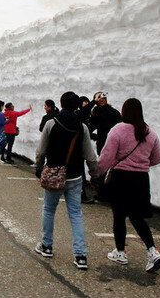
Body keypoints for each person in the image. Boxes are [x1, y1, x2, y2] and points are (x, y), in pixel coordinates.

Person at [97, 98, 160, 272]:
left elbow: (107, 156)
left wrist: (97, 173)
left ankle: (121, 252)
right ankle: (152, 251)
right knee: (137, 216)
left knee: (119, 216)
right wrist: (140, 164)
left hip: (121, 178)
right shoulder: (149, 132)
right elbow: (157, 158)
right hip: (141, 179)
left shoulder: (118, 130)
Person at [34, 91, 98, 270]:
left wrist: (39, 168)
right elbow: (90, 156)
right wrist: (95, 174)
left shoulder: (51, 124)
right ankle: (80, 255)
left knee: (49, 209)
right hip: (75, 175)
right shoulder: (82, 127)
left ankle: (46, 246)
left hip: (55, 174)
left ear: (61, 105)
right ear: (77, 105)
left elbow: (41, 151)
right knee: (75, 214)